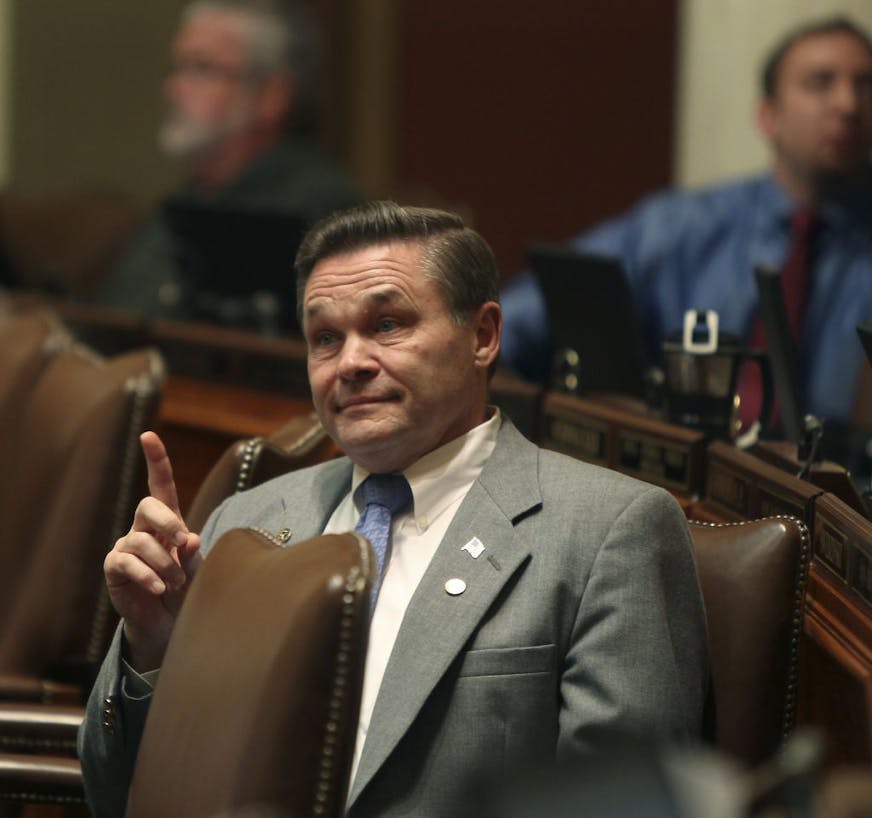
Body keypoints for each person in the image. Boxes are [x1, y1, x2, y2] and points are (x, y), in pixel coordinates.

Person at [78, 201, 708, 818]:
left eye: (387, 325)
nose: (350, 363)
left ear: (483, 335)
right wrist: (154, 650)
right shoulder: (248, 521)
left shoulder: (608, 531)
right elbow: (116, 794)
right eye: (325, 337)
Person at [500, 16, 872, 436]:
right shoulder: (683, 225)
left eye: (865, 85)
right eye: (821, 83)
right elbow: (515, 321)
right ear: (769, 116)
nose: (848, 105)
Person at [95, 0, 360, 321]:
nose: (173, 88)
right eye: (176, 67)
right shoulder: (185, 201)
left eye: (202, 68)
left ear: (270, 96)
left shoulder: (317, 212)